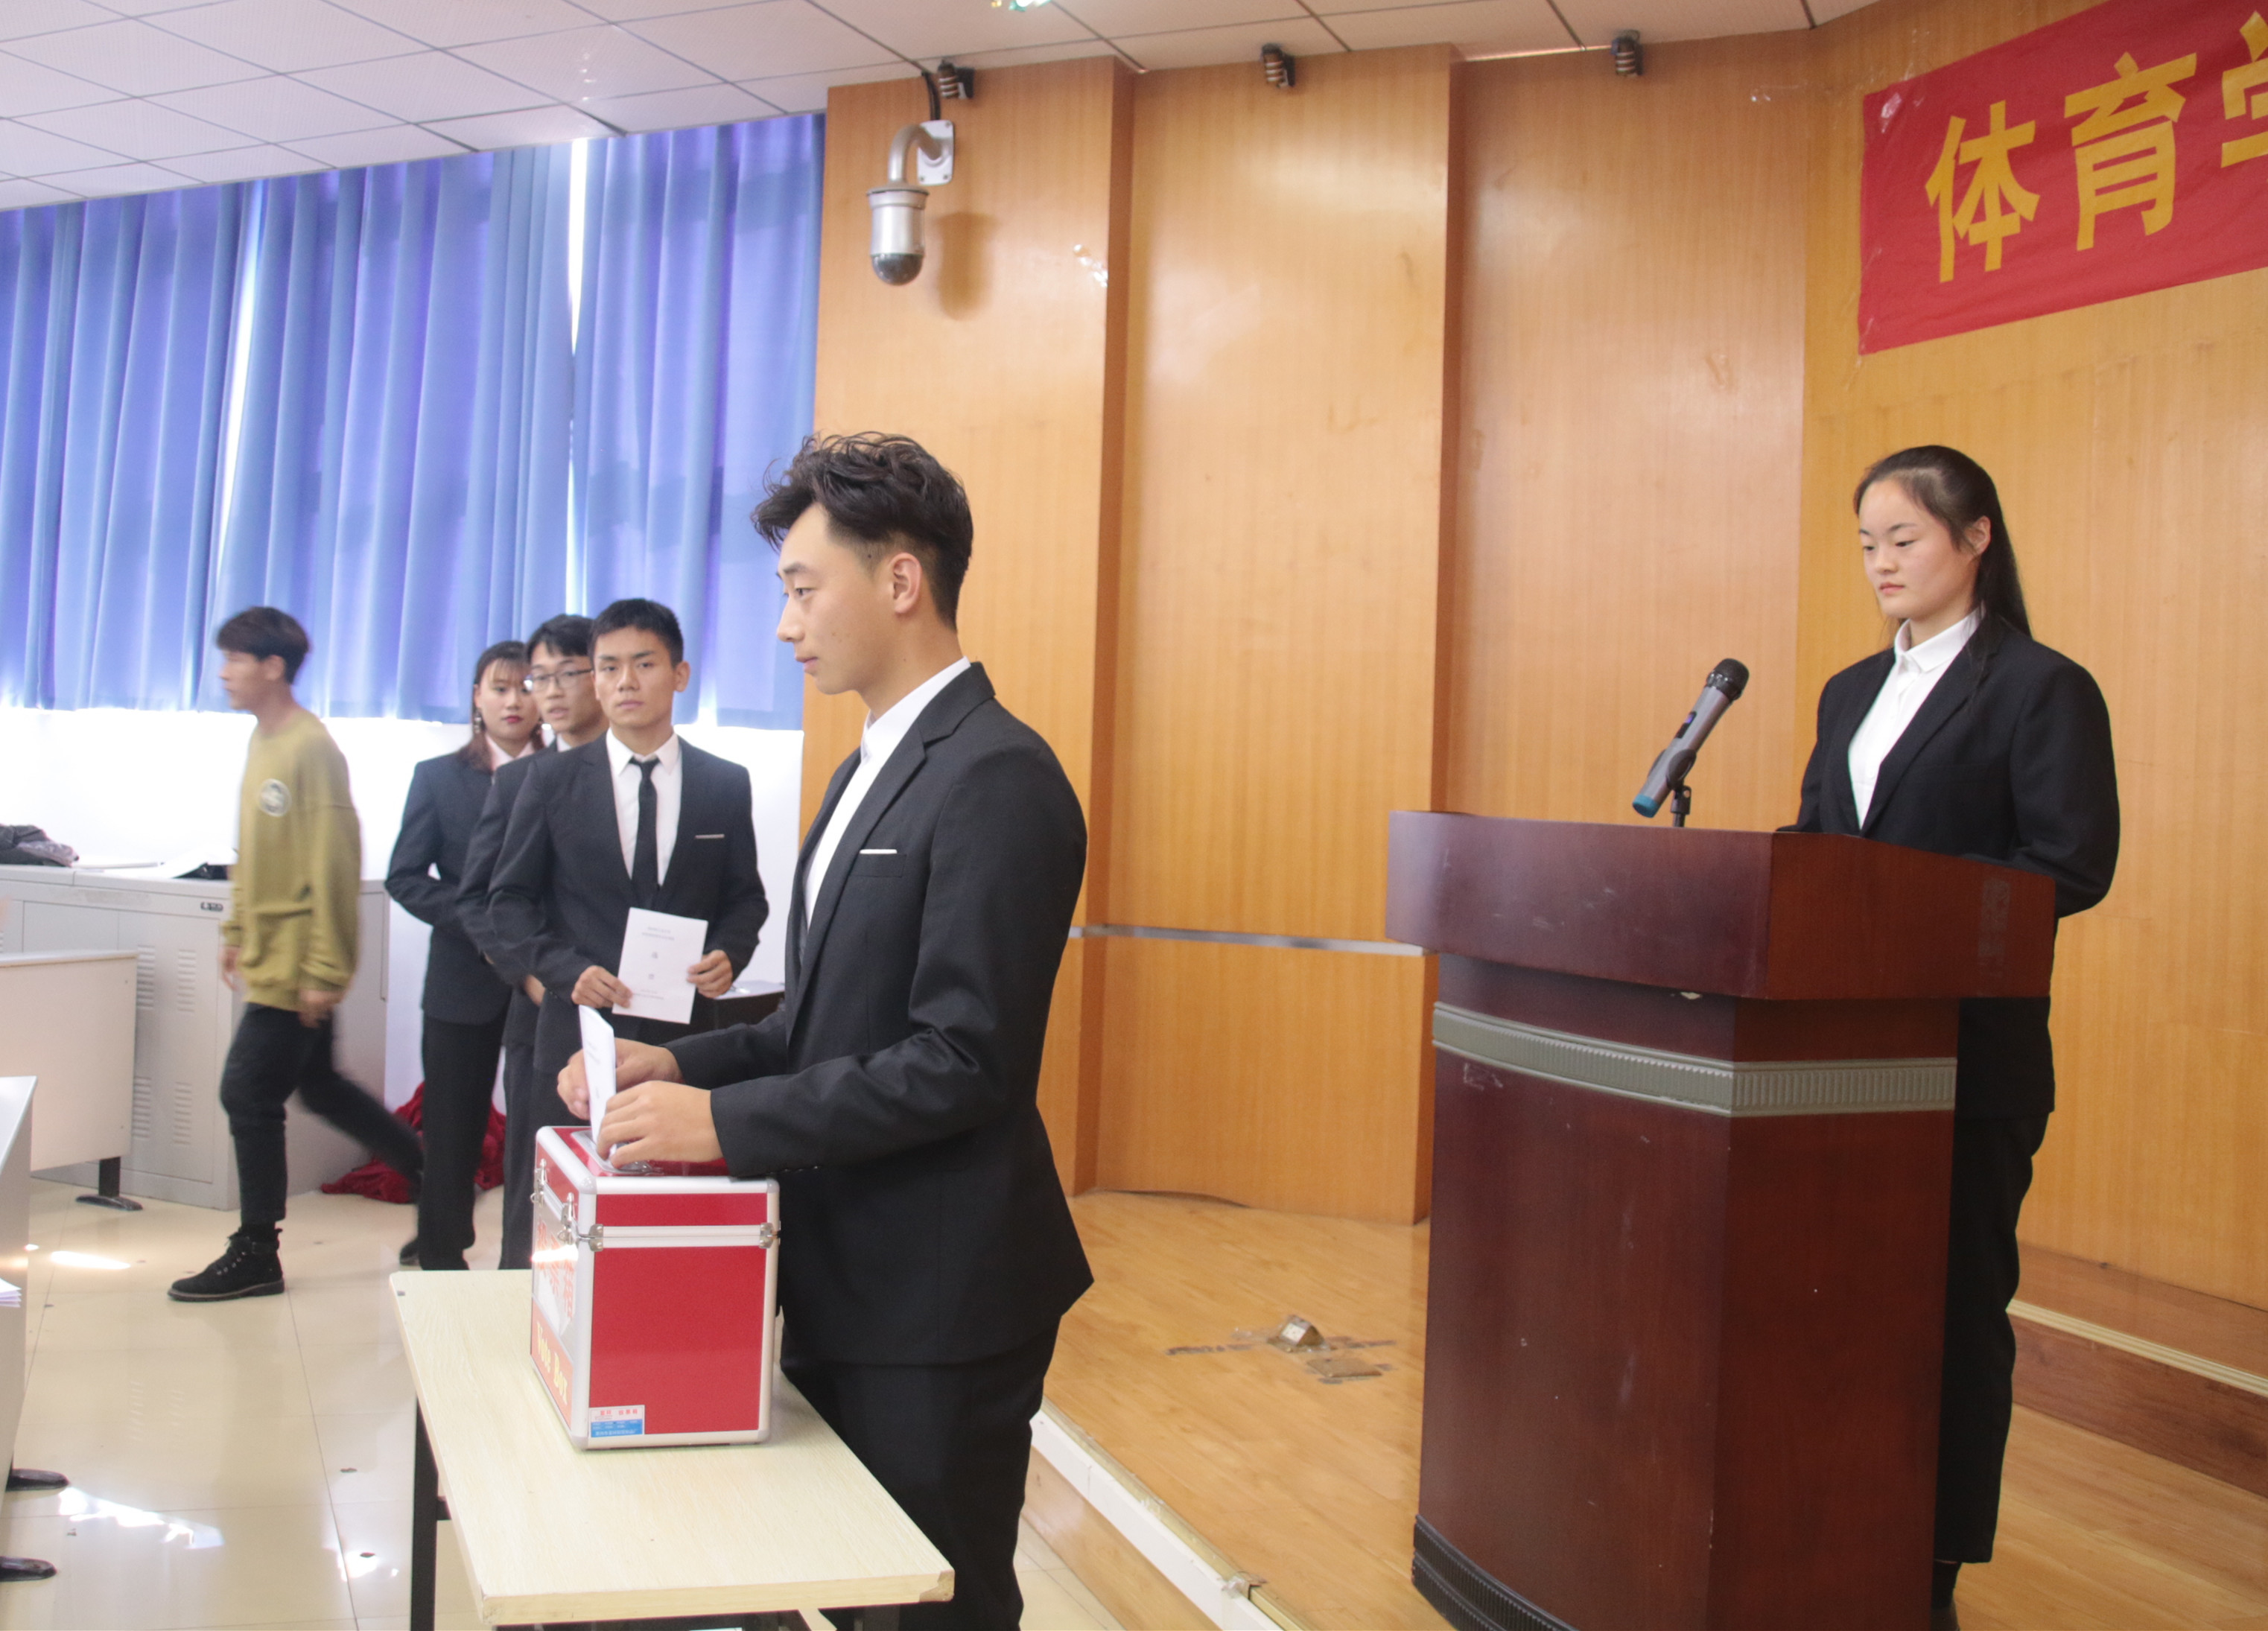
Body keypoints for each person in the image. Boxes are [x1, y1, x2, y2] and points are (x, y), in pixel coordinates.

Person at [559, 433, 1093, 1631]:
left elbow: (964, 1060)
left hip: (939, 1292)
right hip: (845, 1260)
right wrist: (677, 1061)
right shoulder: (865, 770)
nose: (787, 624)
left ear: (900, 580)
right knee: (841, 1587)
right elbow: (819, 1022)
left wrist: (723, 1121)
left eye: (804, 590)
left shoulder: (998, 776)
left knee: (930, 1604)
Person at [1790, 446, 2118, 1629]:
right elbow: (1816, 846)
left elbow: (2068, 865)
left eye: (1904, 538)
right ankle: (1839, 1534)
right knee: (1843, 1314)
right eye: (1867, 543)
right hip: (1841, 1066)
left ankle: (1928, 1575)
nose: (1881, 562)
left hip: (1969, 1063)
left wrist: (1904, 907)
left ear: (1976, 539)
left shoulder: (2039, 686)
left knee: (1951, 1322)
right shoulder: (1847, 692)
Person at [170, 608, 425, 1303]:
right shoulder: (263, 739)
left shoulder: (312, 748)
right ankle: (435, 1182)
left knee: (246, 1093)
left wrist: (324, 970)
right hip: (269, 955)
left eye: (235, 659)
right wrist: (235, 929)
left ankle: (257, 1250)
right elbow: (255, 849)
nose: (224, 673)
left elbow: (334, 863)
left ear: (272, 666)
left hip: (296, 966)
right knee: (321, 1088)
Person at [487, 596, 768, 1180]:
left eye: (644, 664)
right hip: (578, 1033)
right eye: (609, 667)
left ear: (679, 674)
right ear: (595, 680)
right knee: (561, 1191)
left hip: (682, 1036)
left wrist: (730, 952)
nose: (625, 682)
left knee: (670, 1193)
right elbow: (508, 901)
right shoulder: (548, 780)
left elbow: (745, 897)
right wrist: (565, 971)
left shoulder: (724, 782)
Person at [456, 614, 607, 1271]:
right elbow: (478, 898)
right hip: (545, 1014)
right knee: (536, 1185)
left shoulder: (651, 774)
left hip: (636, 1009)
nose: (549, 691)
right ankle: (523, 1306)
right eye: (537, 677)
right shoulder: (521, 780)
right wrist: (527, 974)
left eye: (566, 673)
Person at [384, 640, 540, 1273]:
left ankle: (529, 1256)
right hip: (461, 975)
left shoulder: (568, 773)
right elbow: (405, 877)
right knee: (452, 1126)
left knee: (536, 1124)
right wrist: (480, 924)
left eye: (526, 686)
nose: (513, 701)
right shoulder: (438, 777)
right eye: (499, 688)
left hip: (540, 978)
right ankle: (441, 1247)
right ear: (477, 698)